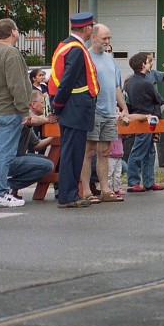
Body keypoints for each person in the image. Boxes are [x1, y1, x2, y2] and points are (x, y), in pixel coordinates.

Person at [0, 18, 32, 208]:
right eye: (17, 30)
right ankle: (1, 192)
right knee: (4, 153)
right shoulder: (11, 53)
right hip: (9, 110)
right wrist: (24, 109)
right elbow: (16, 84)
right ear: (12, 32)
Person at [50, 11, 99, 208]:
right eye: (91, 28)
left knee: (72, 152)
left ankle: (68, 193)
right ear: (86, 29)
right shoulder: (77, 49)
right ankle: (68, 196)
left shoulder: (66, 45)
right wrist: (57, 107)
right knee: (73, 152)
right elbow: (67, 81)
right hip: (75, 108)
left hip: (71, 107)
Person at [81, 24, 127, 203]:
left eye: (109, 38)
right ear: (93, 38)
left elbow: (115, 86)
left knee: (105, 151)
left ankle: (105, 189)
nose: (107, 42)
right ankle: (86, 190)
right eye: (104, 38)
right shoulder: (86, 57)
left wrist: (124, 107)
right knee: (89, 151)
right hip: (93, 112)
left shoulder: (110, 59)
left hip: (109, 112)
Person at [125, 51, 164, 193]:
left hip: (136, 118)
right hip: (148, 119)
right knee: (141, 151)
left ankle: (148, 182)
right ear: (143, 65)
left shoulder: (129, 83)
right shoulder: (146, 84)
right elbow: (159, 100)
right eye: (149, 61)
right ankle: (134, 181)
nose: (151, 63)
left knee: (148, 150)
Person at [6, 88, 56, 199]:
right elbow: (31, 120)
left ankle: (12, 190)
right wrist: (48, 120)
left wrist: (53, 137)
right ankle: (8, 186)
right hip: (11, 159)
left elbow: (37, 145)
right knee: (47, 166)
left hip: (16, 157)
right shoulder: (26, 114)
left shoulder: (29, 122)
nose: (43, 106)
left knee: (47, 161)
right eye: (42, 103)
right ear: (33, 104)